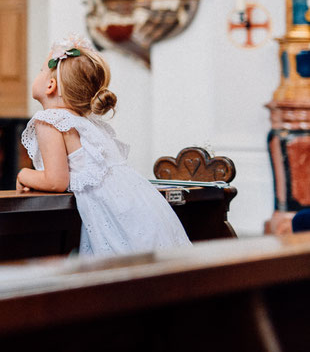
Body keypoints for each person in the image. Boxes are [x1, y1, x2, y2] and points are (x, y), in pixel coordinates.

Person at [17, 35, 191, 256]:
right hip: (140, 204)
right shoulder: (86, 123)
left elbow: (56, 181)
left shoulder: (50, 120)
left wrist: (24, 174)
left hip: (115, 213)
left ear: (51, 85)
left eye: (42, 70)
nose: (39, 74)